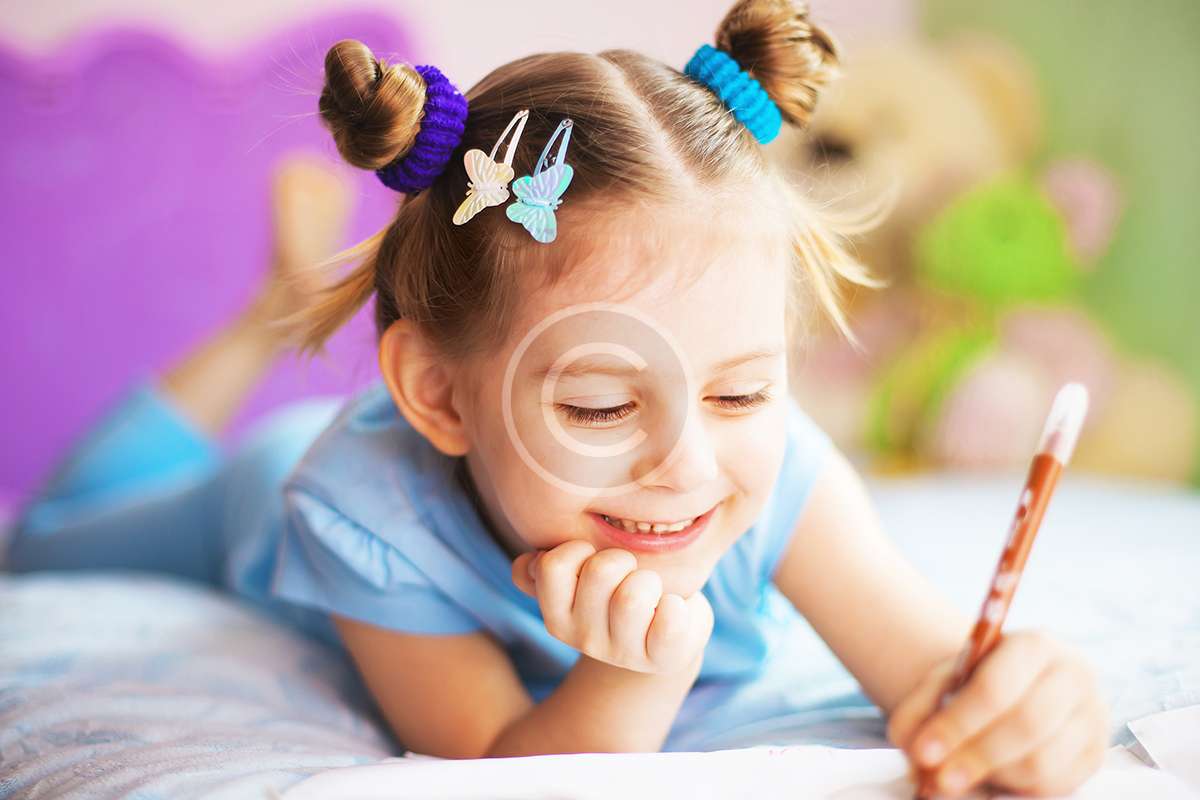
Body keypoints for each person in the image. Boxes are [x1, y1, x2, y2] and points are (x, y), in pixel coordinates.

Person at [6, 1, 1110, 795]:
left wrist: (1030, 706)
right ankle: (271, 315)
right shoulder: (355, 503)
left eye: (739, 389)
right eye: (597, 407)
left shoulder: (770, 470)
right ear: (437, 392)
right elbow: (495, 765)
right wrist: (639, 671)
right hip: (255, 485)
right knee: (40, 540)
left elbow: (935, 672)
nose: (688, 463)